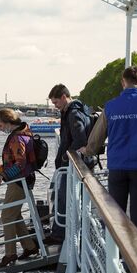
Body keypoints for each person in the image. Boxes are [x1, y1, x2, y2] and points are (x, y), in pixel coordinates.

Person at [80, 66, 137, 235]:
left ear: (123, 82)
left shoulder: (110, 107)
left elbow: (97, 137)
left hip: (118, 165)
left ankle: (115, 255)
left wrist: (88, 150)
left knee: (116, 214)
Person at [46, 84, 93, 245]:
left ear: (64, 97)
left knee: (63, 198)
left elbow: (80, 139)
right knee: (71, 199)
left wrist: (66, 158)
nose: (55, 106)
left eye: (56, 102)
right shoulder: (79, 110)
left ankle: (59, 235)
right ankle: (69, 231)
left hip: (72, 166)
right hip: (80, 163)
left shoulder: (72, 114)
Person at [0, 108, 39, 268]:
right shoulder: (24, 133)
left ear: (7, 122)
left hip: (19, 181)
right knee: (15, 215)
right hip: (23, 180)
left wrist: (4, 175)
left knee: (6, 216)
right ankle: (30, 247)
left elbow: (21, 163)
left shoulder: (17, 138)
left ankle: (10, 253)